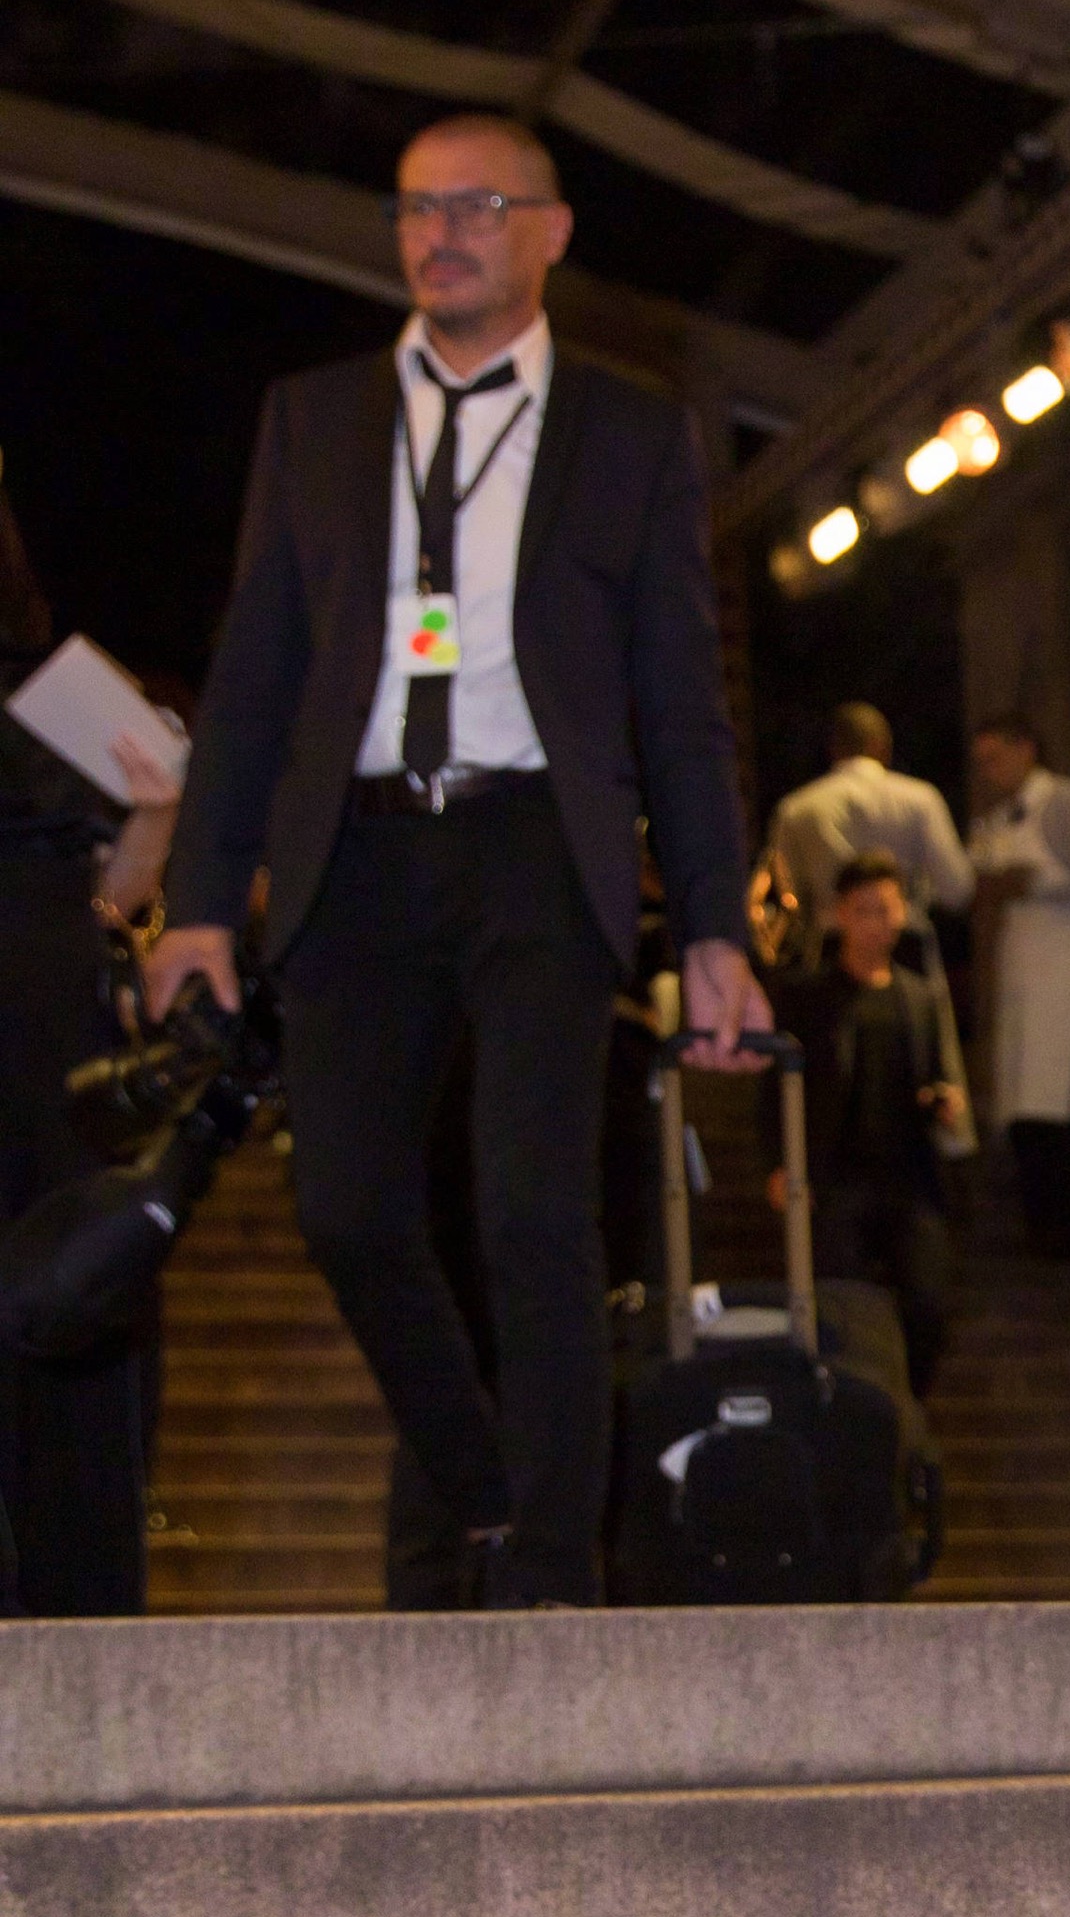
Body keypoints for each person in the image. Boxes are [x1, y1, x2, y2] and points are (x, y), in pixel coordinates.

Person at [149, 112, 770, 1608]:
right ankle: (488, 1484)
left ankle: (550, 1572)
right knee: (346, 1208)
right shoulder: (314, 417)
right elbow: (253, 671)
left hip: (533, 844)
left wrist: (713, 926)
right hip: (355, 854)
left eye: (479, 206)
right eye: (417, 209)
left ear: (550, 232)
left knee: (532, 1213)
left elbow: (680, 701)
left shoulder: (630, 431)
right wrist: (197, 902)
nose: (442, 234)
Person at [0, 480, 176, 1614]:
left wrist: (156, 808)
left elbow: (121, 891)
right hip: (52, 999)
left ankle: (80, 1597)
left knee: (66, 1284)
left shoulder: (58, 685)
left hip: (50, 1014)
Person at [776, 853, 966, 1398]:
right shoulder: (810, 997)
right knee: (841, 1302)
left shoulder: (919, 996)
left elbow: (935, 1074)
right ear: (841, 914)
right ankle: (853, 1405)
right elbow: (778, 1088)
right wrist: (781, 1164)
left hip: (909, 1176)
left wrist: (941, 1100)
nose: (877, 923)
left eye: (886, 909)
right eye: (864, 911)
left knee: (927, 1303)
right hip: (838, 1175)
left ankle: (906, 1402)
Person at [966, 716, 1070, 1259]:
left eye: (996, 757)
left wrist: (1036, 882)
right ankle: (1035, 1227)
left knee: (1054, 1096)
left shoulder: (1066, 801)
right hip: (1019, 963)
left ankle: (1064, 1234)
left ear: (1026, 749)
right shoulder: (993, 819)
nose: (990, 771)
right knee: (1020, 1099)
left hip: (1064, 961)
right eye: (982, 762)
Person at [771, 701, 974, 952]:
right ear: (883, 746)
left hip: (832, 947)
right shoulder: (921, 799)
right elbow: (957, 890)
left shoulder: (797, 808)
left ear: (834, 749)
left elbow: (784, 894)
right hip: (903, 943)